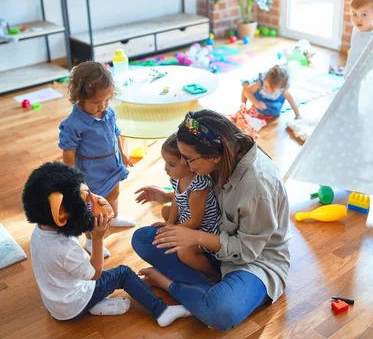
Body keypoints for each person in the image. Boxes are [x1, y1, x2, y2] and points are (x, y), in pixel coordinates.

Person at [132, 110, 291, 331]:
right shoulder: (220, 158)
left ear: (214, 155)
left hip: (254, 262)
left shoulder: (257, 186)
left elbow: (248, 251)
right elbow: (200, 194)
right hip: (215, 246)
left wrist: (195, 236)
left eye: (188, 159)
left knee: (220, 310)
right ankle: (205, 290)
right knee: (142, 239)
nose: (185, 165)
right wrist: (168, 195)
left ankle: (170, 285)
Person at [22, 161, 192, 325]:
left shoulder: (39, 232)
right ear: (60, 215)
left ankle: (95, 304)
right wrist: (97, 239)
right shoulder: (65, 250)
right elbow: (94, 274)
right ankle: (162, 311)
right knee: (123, 273)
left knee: (94, 282)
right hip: (74, 303)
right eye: (87, 200)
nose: (97, 200)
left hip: (56, 304)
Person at [59, 61, 134, 258]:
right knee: (93, 207)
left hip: (112, 165)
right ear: (80, 97)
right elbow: (68, 152)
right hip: (91, 173)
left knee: (114, 193)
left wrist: (122, 153)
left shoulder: (108, 112)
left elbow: (116, 132)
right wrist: (75, 179)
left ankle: (114, 217)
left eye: (107, 99)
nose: (102, 106)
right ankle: (92, 239)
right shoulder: (74, 123)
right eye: (96, 102)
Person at [158, 132, 222, 281]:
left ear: (189, 163)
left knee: (184, 252)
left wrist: (173, 230)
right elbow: (176, 200)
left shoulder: (198, 186)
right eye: (165, 163)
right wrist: (170, 223)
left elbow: (196, 222)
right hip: (188, 219)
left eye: (171, 164)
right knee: (165, 210)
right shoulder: (176, 178)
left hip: (205, 230)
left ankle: (214, 274)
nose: (166, 169)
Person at [342, 0, 373, 79]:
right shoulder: (356, 30)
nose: (358, 19)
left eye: (364, 14)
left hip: (364, 77)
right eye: (354, 14)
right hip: (350, 71)